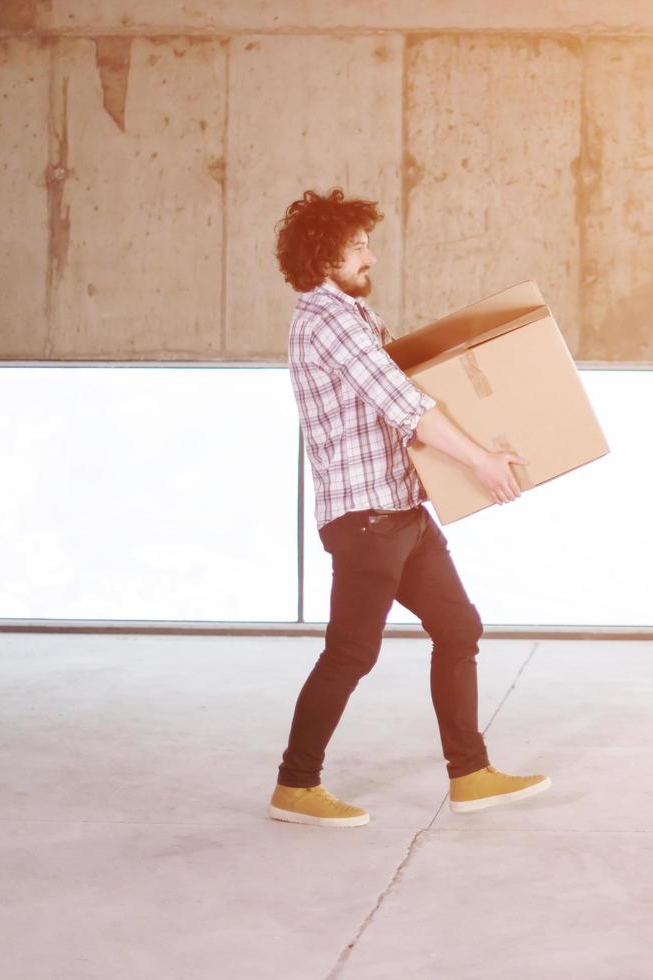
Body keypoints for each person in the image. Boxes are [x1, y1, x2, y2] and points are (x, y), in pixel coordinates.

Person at [267, 187, 551, 827]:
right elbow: (405, 403)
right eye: (358, 246)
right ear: (324, 254)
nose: (371, 257)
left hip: (402, 511)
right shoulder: (326, 319)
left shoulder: (355, 316)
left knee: (458, 629)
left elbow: (415, 384)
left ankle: (470, 774)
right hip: (366, 518)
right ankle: (296, 783)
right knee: (351, 653)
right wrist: (479, 460)